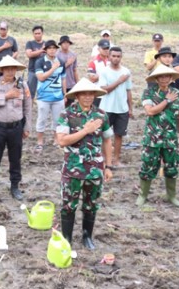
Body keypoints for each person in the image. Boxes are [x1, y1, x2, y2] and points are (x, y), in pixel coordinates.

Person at [56, 78, 113, 251]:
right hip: (73, 169)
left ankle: (87, 236)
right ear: (77, 95)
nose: (88, 97)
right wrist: (85, 130)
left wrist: (108, 166)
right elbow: (62, 141)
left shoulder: (101, 115)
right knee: (68, 205)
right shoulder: (67, 115)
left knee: (91, 204)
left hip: (95, 169)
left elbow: (107, 140)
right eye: (84, 94)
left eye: (91, 93)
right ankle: (67, 238)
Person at [0, 56, 32, 201]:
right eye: (7, 68)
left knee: (15, 158)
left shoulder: (23, 85)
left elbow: (28, 107)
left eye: (13, 68)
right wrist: (6, 96)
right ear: (2, 70)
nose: (10, 71)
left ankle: (15, 186)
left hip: (16, 128)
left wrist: (27, 126)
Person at [137, 65, 179, 206]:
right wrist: (167, 100)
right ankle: (143, 195)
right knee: (148, 166)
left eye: (167, 76)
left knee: (172, 167)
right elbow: (150, 111)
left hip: (170, 138)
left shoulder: (177, 92)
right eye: (161, 76)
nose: (164, 79)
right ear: (156, 79)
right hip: (152, 138)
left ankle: (171, 196)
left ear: (171, 78)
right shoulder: (149, 93)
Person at [97, 46, 133, 167]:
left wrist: (131, 108)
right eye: (113, 56)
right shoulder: (104, 71)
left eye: (118, 56)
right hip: (107, 108)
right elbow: (104, 89)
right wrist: (119, 81)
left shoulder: (126, 72)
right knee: (105, 135)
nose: (116, 58)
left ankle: (116, 160)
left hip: (122, 108)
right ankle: (105, 160)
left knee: (119, 135)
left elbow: (128, 91)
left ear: (121, 57)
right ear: (109, 56)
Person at [34, 40, 66, 154]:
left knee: (57, 120)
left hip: (58, 97)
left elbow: (63, 78)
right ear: (46, 50)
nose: (52, 50)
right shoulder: (40, 62)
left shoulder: (61, 62)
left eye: (54, 48)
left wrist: (64, 93)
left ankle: (56, 140)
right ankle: (40, 142)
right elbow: (41, 77)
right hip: (43, 97)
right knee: (41, 119)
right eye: (50, 48)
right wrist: (53, 68)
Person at [57, 35, 79, 107]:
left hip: (71, 84)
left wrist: (77, 83)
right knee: (60, 106)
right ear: (60, 44)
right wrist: (67, 64)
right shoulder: (57, 55)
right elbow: (56, 70)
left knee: (70, 107)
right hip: (60, 84)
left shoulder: (73, 55)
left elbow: (75, 70)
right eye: (64, 43)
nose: (66, 44)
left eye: (67, 43)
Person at [25, 25, 46, 98]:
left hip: (44, 72)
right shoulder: (30, 43)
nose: (37, 35)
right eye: (35, 33)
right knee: (30, 93)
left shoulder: (47, 44)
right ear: (33, 34)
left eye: (39, 33)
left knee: (44, 92)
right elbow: (29, 54)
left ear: (42, 33)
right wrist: (42, 50)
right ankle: (29, 108)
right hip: (32, 71)